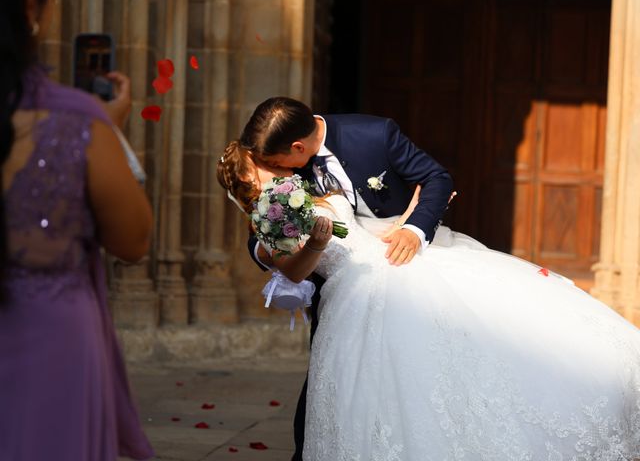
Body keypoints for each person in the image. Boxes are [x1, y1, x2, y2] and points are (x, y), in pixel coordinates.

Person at [218, 143, 640, 460]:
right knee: (374, 391)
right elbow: (292, 270)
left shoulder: (314, 190)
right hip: (355, 295)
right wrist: (317, 243)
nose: (278, 171)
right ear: (248, 182)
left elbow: (370, 236)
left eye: (274, 164)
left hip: (393, 264)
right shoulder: (265, 225)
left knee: (460, 357)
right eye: (265, 169)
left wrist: (412, 216)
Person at [236, 97, 453, 459]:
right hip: (340, 288)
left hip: (403, 268)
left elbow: (437, 177)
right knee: (332, 383)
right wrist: (265, 252)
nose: (275, 171)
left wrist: (414, 229)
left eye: (276, 163)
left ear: (298, 147)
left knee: (405, 373)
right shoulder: (282, 169)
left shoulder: (374, 134)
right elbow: (264, 219)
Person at [0, 0, 154, 460]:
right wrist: (109, 131)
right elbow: (133, 240)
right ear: (31, 4)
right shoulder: (78, 121)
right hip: (49, 344)